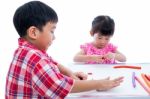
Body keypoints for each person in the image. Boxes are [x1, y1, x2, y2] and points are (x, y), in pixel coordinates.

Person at [5, 1, 124, 99]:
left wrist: (69, 74)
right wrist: (100, 83)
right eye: (52, 31)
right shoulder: (36, 59)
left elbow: (52, 63)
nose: (54, 37)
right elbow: (60, 87)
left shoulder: (24, 51)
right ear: (33, 32)